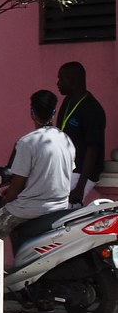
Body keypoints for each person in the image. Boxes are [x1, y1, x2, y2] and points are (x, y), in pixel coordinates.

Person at [0, 90, 74, 242]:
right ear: (54, 112)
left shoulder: (28, 142)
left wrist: (4, 202)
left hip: (30, 209)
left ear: (32, 112)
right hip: (60, 206)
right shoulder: (66, 140)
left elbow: (17, 184)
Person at [57, 61, 106, 206]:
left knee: (66, 211)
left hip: (82, 172)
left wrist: (80, 187)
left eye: (61, 79)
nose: (57, 83)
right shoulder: (68, 101)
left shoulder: (92, 109)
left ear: (72, 80)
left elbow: (93, 150)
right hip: (68, 168)